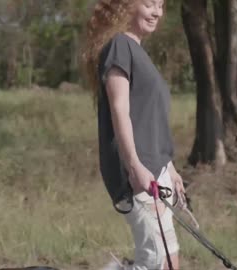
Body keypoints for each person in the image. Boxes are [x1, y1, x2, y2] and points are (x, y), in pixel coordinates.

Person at [81, 0, 186, 269]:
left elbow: (148, 120)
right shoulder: (119, 46)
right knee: (155, 259)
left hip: (155, 167)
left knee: (169, 259)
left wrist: (169, 168)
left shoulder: (137, 51)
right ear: (126, 5)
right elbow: (119, 109)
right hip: (138, 170)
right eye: (149, 4)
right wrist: (134, 165)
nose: (157, 12)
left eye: (161, 5)